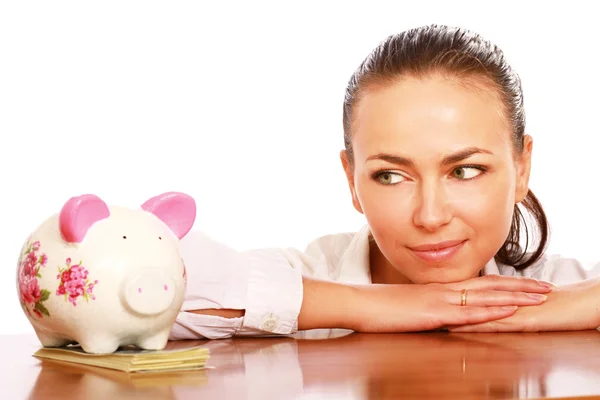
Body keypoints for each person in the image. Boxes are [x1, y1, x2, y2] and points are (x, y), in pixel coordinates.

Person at [169, 24, 600, 341]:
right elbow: (124, 276)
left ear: (521, 168)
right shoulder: (307, 276)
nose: (431, 216)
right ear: (351, 180)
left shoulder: (559, 286)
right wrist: (386, 305)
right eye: (391, 175)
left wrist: (561, 306)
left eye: (464, 170)